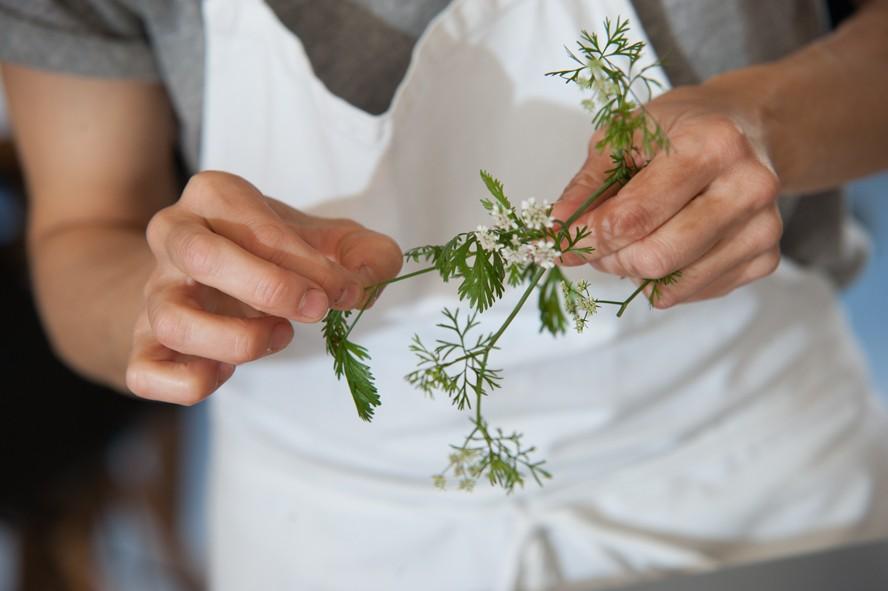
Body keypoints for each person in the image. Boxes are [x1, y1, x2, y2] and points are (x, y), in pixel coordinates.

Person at [2, 0, 888, 589]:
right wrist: (161, 303)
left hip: (759, 497)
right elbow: (84, 230)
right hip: (329, 539)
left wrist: (767, 121)